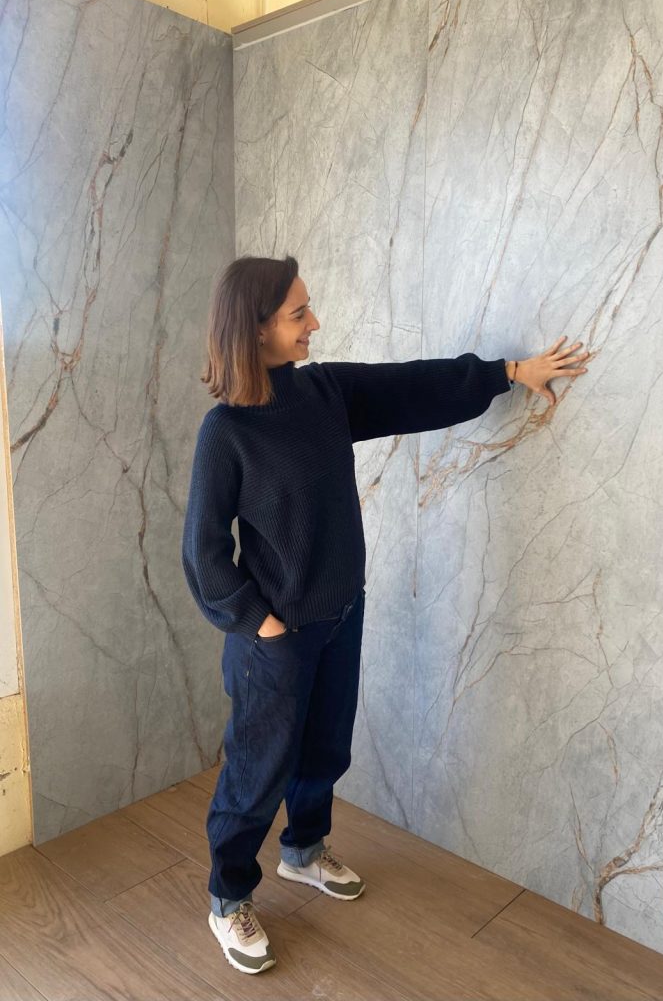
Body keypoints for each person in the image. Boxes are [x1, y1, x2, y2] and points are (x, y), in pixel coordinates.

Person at [181, 254, 590, 975]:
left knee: (325, 748)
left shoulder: (324, 393)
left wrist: (507, 372)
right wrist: (260, 623)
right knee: (257, 769)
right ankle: (228, 897)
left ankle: (303, 851)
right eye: (299, 313)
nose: (315, 323)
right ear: (256, 328)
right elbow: (203, 551)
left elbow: (411, 386)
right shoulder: (227, 432)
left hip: (340, 613)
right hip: (273, 638)